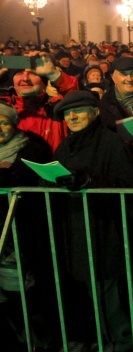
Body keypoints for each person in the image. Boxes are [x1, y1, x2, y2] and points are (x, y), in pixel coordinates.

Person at [52, 90, 133, 352]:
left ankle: (122, 343)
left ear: (95, 113)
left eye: (78, 111)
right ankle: (103, 340)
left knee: (110, 292)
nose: (72, 117)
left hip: (105, 228)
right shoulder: (66, 145)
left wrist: (90, 182)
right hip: (77, 227)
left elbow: (126, 185)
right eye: (67, 113)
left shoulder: (111, 142)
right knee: (91, 291)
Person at [0, 101, 59, 352]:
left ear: (13, 125)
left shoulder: (31, 149)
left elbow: (21, 179)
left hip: (19, 233)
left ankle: (39, 344)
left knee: (23, 293)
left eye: (3, 122)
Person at [5, 52, 79, 153]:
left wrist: (53, 74)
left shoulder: (57, 107)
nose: (25, 78)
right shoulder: (4, 109)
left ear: (44, 82)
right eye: (19, 73)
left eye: (33, 73)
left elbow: (75, 97)